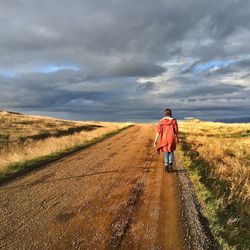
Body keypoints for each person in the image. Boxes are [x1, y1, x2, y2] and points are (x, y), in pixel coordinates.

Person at [154, 108, 179, 172]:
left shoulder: (161, 121)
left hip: (164, 139)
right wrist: (177, 139)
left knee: (166, 151)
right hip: (171, 138)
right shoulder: (173, 121)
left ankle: (166, 164)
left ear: (164, 113)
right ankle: (170, 164)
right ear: (170, 113)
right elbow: (176, 131)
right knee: (171, 150)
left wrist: (155, 140)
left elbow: (158, 132)